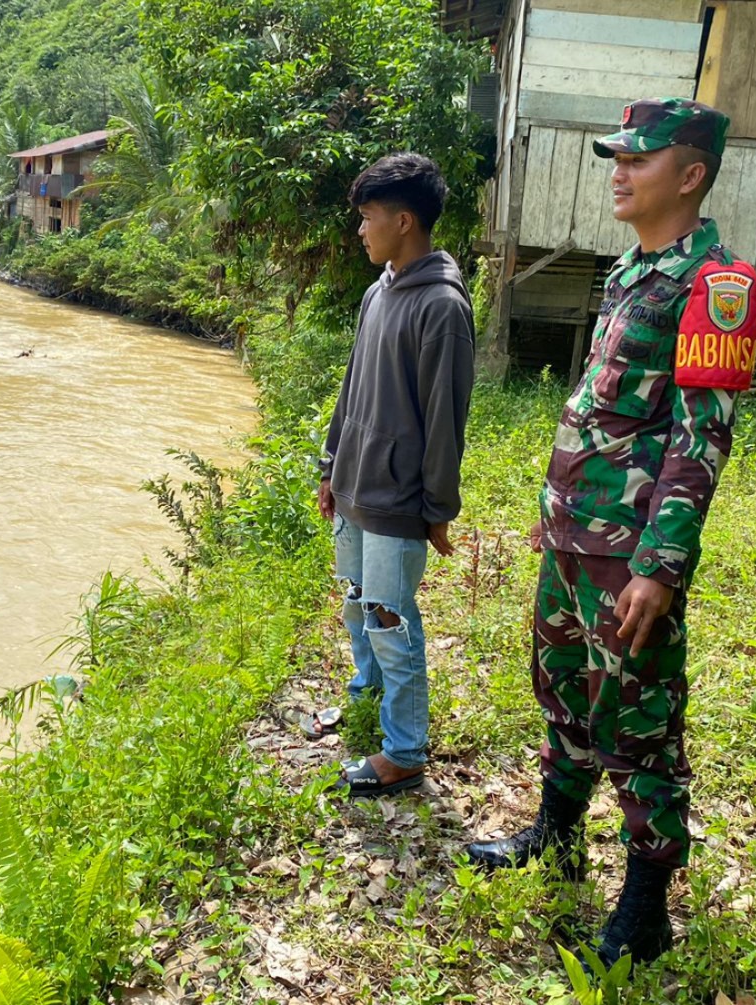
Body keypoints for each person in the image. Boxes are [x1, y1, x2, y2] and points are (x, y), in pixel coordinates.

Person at [465, 98, 756, 970]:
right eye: (617, 157)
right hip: (575, 539)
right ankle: (555, 839)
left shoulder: (717, 286)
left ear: (692, 173)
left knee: (637, 722)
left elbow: (698, 435)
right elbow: (602, 412)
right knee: (561, 690)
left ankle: (645, 908)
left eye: (639, 158)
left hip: (631, 554)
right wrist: (556, 513)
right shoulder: (634, 271)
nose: (619, 171)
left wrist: (661, 567)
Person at [315, 152, 476, 797]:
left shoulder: (441, 307)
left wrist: (436, 510)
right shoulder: (378, 291)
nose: (360, 229)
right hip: (355, 486)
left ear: (404, 221)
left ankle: (405, 751)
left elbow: (446, 423)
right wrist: (332, 466)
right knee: (357, 605)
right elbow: (353, 387)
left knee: (390, 619)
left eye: (367, 218)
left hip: (398, 499)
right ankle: (364, 699)